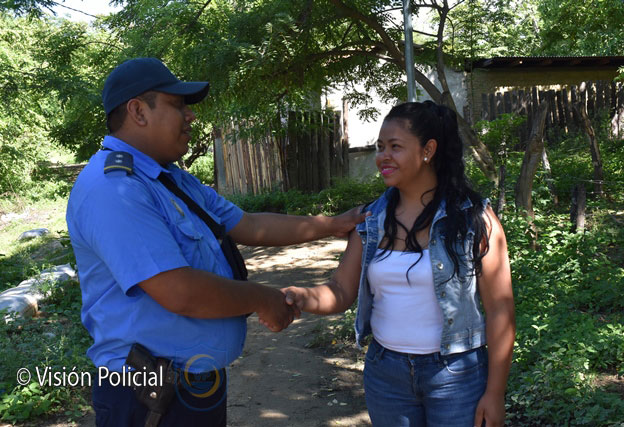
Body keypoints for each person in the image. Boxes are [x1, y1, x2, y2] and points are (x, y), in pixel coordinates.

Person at [66, 57, 367, 427]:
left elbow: (249, 224)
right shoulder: (113, 188)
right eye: (178, 104)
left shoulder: (170, 179)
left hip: (190, 385)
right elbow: (179, 291)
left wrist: (334, 224)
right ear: (138, 111)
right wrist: (262, 299)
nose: (190, 116)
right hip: (147, 396)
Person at [281, 101, 515, 427]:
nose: (383, 156)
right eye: (380, 147)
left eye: (395, 147)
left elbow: (500, 310)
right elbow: (340, 291)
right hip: (386, 375)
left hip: (457, 375)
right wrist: (301, 297)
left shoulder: (474, 219)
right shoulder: (370, 220)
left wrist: (495, 392)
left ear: (427, 150)